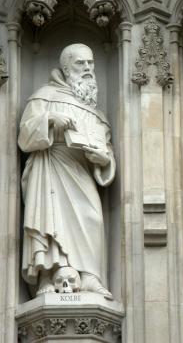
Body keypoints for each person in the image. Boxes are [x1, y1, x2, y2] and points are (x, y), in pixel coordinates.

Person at [19, 43, 115, 298]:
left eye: (90, 63)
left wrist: (104, 160)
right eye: (80, 63)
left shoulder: (95, 112)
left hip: (82, 170)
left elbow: (107, 149)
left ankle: (91, 276)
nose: (87, 68)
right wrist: (50, 120)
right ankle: (50, 276)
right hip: (52, 167)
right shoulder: (45, 96)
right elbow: (25, 135)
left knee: (92, 217)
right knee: (52, 220)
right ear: (65, 67)